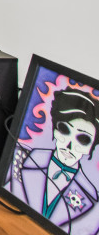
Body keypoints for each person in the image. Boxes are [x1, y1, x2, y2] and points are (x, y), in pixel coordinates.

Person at [6, 88, 99, 232]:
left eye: (83, 139)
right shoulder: (19, 159)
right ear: (54, 129)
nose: (69, 145)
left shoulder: (93, 200)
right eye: (64, 130)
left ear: (91, 148)